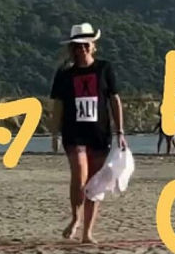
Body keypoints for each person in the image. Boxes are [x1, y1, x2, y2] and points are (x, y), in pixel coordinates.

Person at [50, 22, 127, 244]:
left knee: (95, 184)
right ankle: (75, 218)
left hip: (99, 133)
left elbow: (114, 99)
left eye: (86, 44)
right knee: (79, 175)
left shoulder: (104, 68)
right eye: (77, 45)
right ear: (72, 48)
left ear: (93, 46)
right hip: (73, 133)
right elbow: (57, 105)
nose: (82, 48)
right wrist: (54, 133)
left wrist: (120, 131)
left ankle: (87, 233)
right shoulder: (65, 74)